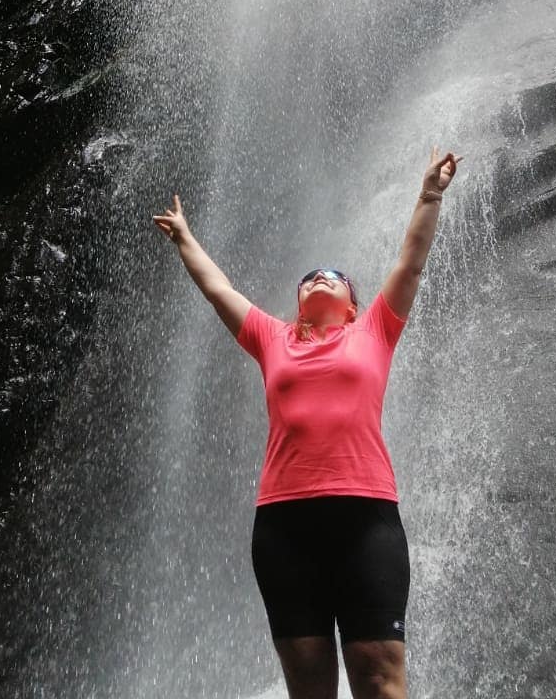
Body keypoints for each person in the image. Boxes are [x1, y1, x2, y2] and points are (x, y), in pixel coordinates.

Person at [152, 147, 461, 699]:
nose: (320, 278)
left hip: (366, 517)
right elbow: (220, 291)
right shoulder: (272, 338)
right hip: (284, 526)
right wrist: (184, 239)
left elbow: (410, 263)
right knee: (309, 687)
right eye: (310, 278)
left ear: (352, 306)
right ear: (297, 304)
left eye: (333, 277)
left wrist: (430, 194)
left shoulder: (375, 330)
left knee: (380, 679)